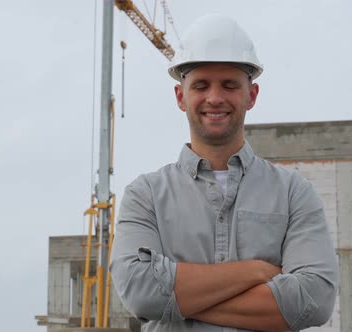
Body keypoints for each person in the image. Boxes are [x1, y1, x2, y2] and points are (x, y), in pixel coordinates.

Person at [110, 14, 338, 332]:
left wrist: (177, 301)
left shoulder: (293, 193)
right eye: (201, 85)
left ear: (251, 95)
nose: (215, 98)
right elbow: (140, 293)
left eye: (229, 85)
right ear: (180, 97)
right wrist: (256, 272)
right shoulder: (145, 195)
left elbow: (314, 300)